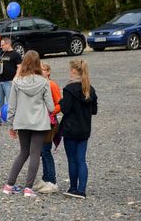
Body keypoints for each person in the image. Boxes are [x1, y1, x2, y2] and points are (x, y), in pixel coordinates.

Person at [2, 50, 54, 198]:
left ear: (24, 62)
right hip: (39, 123)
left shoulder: (17, 82)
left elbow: (11, 106)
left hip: (21, 122)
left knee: (23, 152)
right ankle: (28, 189)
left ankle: (9, 185)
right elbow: (50, 107)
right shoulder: (44, 82)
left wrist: (11, 125)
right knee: (35, 154)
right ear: (38, 63)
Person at [59, 59, 98, 199]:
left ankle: (73, 187)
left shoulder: (69, 89)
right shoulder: (90, 89)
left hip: (70, 129)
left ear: (74, 71)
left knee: (72, 159)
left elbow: (65, 109)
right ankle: (82, 190)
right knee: (81, 159)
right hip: (84, 129)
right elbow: (94, 110)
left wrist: (61, 101)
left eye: (70, 69)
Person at [33, 62, 62, 194]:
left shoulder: (52, 85)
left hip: (49, 122)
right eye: (39, 70)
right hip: (40, 121)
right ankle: (46, 178)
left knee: (46, 151)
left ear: (48, 72)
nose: (41, 72)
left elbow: (59, 103)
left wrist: (50, 111)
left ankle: (52, 181)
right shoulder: (38, 85)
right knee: (42, 152)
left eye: (43, 70)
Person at [0, 38, 22, 124]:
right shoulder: (2, 53)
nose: (1, 47)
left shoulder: (16, 54)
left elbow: (19, 67)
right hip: (0, 80)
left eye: (3, 45)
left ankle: (10, 118)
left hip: (9, 81)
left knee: (10, 101)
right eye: (1, 45)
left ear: (8, 44)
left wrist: (15, 78)